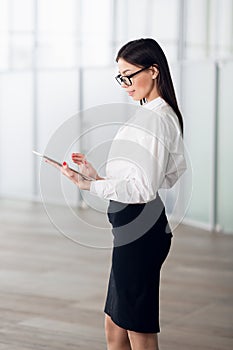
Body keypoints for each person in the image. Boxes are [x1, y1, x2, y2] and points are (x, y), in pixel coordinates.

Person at [47, 38, 187, 350]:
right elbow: (161, 175)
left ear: (153, 71)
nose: (124, 84)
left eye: (128, 75)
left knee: (138, 328)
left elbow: (145, 187)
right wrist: (99, 176)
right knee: (114, 324)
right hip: (131, 229)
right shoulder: (151, 113)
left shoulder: (157, 117)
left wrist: (90, 186)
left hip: (141, 231)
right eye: (119, 77)